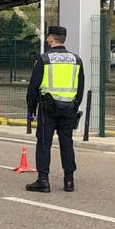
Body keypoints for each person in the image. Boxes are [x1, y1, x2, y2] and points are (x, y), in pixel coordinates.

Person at [25, 25, 85, 193]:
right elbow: (80, 88)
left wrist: (31, 110)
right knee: (67, 143)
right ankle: (69, 181)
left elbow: (33, 88)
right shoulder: (76, 60)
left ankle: (43, 180)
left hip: (48, 109)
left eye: (48, 37)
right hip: (69, 109)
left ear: (51, 38)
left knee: (44, 143)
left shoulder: (44, 59)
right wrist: (74, 106)